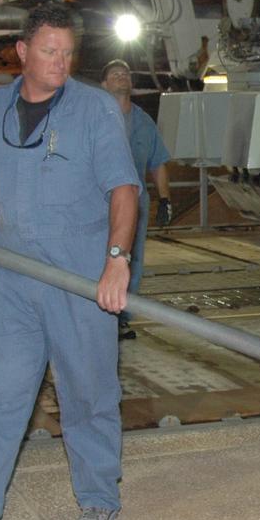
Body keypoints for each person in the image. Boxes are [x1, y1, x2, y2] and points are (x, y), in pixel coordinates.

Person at [0, 2, 140, 520]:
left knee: (89, 392)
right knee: (1, 396)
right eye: (49, 52)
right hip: (12, 276)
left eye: (69, 53)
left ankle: (97, 496)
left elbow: (124, 190)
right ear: (23, 53)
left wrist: (116, 259)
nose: (60, 62)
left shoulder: (95, 110)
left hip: (79, 277)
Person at [99, 60, 173, 340]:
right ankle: (97, 316)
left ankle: (120, 317)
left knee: (133, 260)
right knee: (98, 257)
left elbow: (157, 162)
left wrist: (165, 199)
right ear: (104, 85)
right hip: (98, 203)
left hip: (135, 206)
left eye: (126, 74)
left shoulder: (143, 121)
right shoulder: (95, 119)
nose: (122, 77)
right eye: (115, 74)